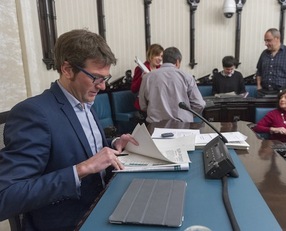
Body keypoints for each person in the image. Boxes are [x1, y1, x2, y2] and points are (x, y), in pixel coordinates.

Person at [0, 29, 139, 231]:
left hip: (103, 205)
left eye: (105, 78)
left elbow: (76, 150)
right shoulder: (34, 113)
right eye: (96, 78)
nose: (102, 87)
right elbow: (6, 196)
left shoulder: (84, 102)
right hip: (71, 221)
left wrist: (112, 145)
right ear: (67, 69)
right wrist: (81, 170)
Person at [138, 47, 206, 123]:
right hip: (182, 126)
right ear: (177, 62)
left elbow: (143, 105)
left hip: (154, 125)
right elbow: (199, 104)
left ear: (163, 60)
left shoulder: (147, 77)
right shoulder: (187, 77)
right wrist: (188, 114)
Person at [256, 28, 286, 97]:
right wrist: (258, 86)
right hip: (264, 92)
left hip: (283, 93)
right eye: (265, 41)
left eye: (269, 40)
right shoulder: (264, 53)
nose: (266, 43)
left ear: (277, 38)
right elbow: (259, 71)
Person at [131, 44, 164, 120]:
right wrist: (141, 78)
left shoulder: (161, 69)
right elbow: (133, 89)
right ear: (151, 55)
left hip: (158, 105)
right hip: (145, 106)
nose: (160, 59)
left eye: (161, 56)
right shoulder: (140, 68)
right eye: (157, 55)